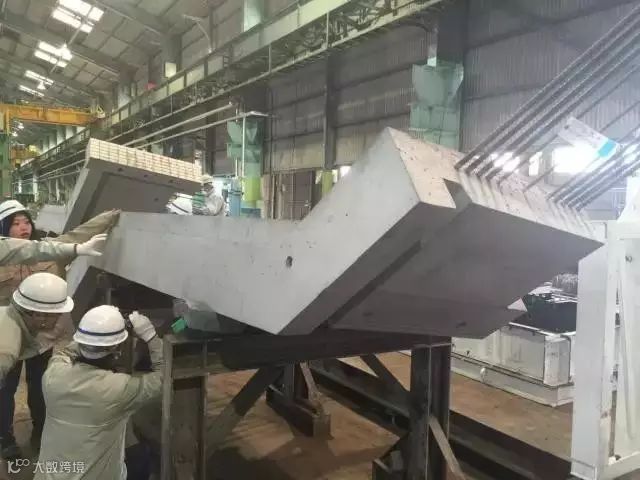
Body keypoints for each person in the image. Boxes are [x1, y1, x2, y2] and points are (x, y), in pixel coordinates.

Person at [35, 306, 163, 480]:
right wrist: (150, 336)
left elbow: (65, 351)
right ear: (117, 350)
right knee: (141, 459)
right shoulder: (119, 388)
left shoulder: (53, 374)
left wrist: (94, 333)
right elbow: (163, 377)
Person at [0, 272, 75, 459]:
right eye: (56, 315)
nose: (60, 317)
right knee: (5, 391)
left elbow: (68, 339)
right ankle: (4, 438)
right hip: (13, 347)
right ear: (39, 315)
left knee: (40, 388)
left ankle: (40, 432)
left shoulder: (51, 307)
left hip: (40, 347)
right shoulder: (7, 345)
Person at [0, 200, 120, 304]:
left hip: (53, 318)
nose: (24, 227)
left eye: (27, 222)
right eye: (16, 224)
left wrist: (106, 218)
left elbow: (78, 235)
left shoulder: (51, 248)